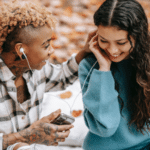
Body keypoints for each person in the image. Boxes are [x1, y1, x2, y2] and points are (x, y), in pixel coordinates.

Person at [0, 0, 93, 149]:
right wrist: (29, 135)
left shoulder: (34, 69)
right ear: (21, 50)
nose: (51, 51)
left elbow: (62, 76)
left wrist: (85, 52)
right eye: (46, 45)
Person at [78, 0, 150, 150]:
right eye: (104, 40)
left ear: (138, 36)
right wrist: (103, 70)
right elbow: (105, 127)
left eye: (121, 42)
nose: (112, 50)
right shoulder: (89, 66)